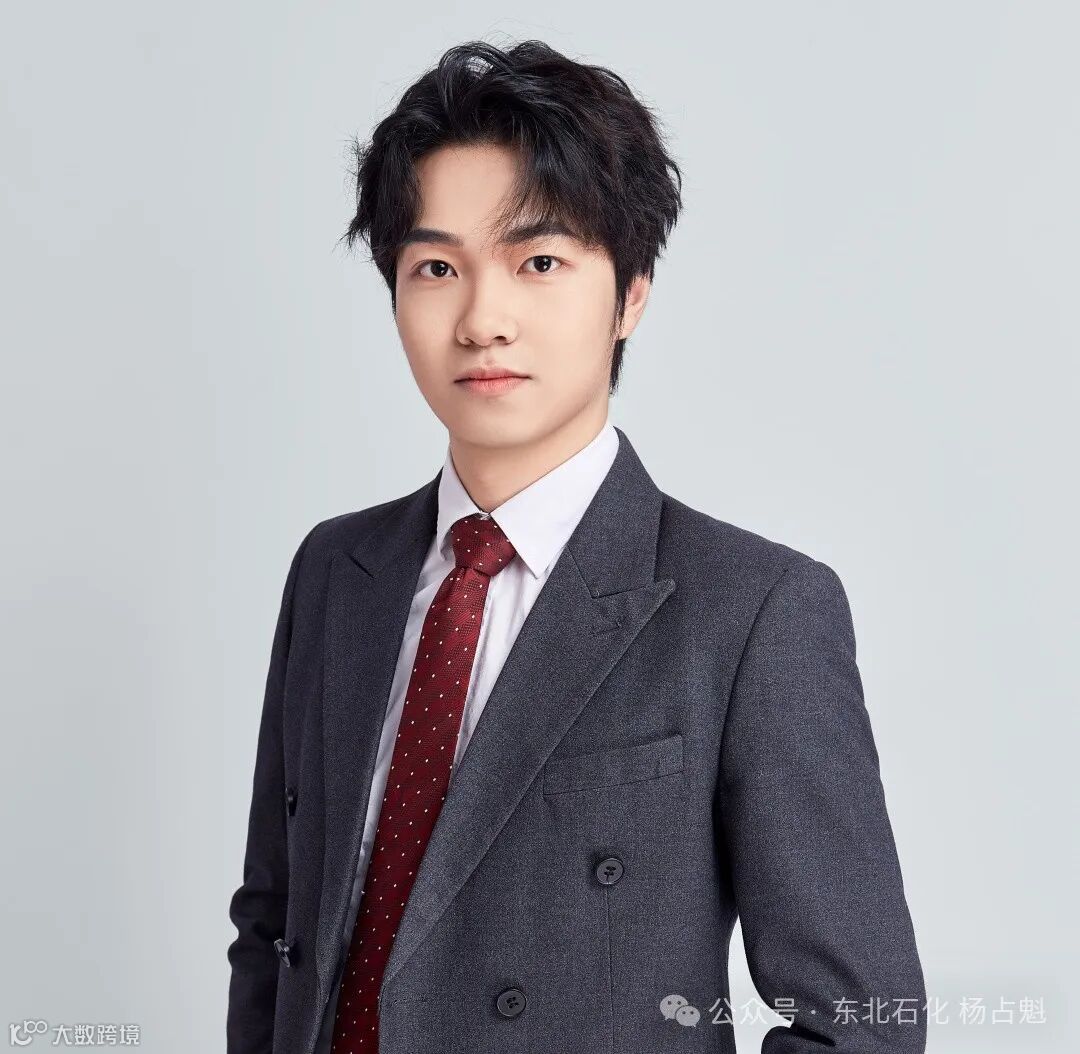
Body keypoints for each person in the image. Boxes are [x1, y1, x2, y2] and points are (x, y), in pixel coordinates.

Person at [226, 39, 927, 1054]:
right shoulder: (339, 572)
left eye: (539, 262)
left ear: (631, 292)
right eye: (437, 268)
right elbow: (273, 929)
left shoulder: (751, 610)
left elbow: (861, 1021)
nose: (483, 319)